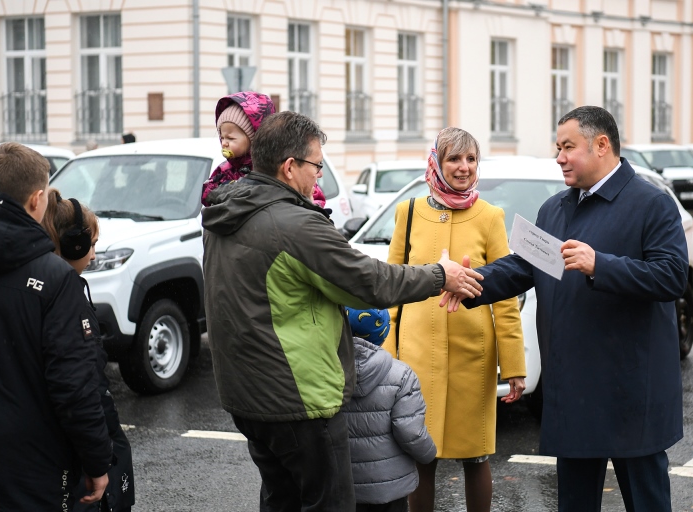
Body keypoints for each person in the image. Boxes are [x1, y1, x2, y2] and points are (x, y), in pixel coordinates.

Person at [201, 111, 483, 511]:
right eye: (316, 165)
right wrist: (441, 275)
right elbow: (369, 283)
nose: (319, 175)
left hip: (243, 393)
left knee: (281, 500)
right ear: (289, 167)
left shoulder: (224, 210)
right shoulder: (295, 224)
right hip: (298, 398)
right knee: (328, 503)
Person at [449, 106, 688, 512]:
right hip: (574, 394)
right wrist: (468, 283)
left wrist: (602, 265)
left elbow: (671, 277)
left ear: (601, 145)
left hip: (632, 395)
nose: (559, 157)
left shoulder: (651, 203)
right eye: (557, 148)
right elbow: (521, 267)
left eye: (567, 147)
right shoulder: (555, 208)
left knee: (647, 502)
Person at [385, 127, 526, 512]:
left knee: (476, 455)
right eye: (454, 159)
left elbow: (505, 297)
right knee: (421, 455)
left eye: (471, 159)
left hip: (473, 356)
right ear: (436, 162)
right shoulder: (408, 212)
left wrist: (513, 365)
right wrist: (386, 354)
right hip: (414, 356)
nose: (464, 168)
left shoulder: (491, 216)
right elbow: (391, 289)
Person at [0, 142, 112, 509]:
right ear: (36, 200)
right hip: (32, 462)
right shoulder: (54, 278)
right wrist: (97, 460)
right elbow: (74, 383)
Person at [41, 189, 136, 512]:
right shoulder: (63, 295)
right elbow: (80, 389)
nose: (94, 256)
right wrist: (99, 461)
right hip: (76, 453)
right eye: (92, 245)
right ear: (74, 244)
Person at [343, 307, 437, 512]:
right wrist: (429, 453)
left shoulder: (328, 371)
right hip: (390, 486)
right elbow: (410, 431)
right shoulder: (401, 375)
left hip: (343, 484)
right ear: (384, 332)